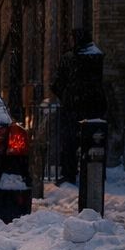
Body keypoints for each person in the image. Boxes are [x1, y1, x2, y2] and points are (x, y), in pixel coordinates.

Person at [51, 26, 104, 184]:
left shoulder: (69, 58)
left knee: (69, 142)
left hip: (73, 106)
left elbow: (57, 83)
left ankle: (69, 173)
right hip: (93, 107)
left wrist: (67, 95)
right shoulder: (96, 58)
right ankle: (92, 171)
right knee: (92, 140)